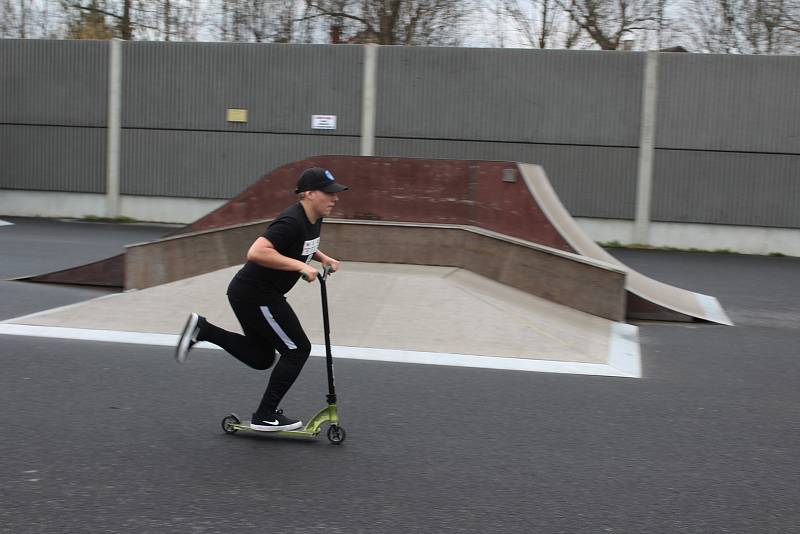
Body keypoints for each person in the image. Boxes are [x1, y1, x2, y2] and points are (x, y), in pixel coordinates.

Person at [174, 167, 348, 431]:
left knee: (262, 358)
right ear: (309, 194)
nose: (335, 198)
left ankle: (203, 329)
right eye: (329, 193)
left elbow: (301, 245)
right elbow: (256, 252)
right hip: (257, 294)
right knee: (297, 349)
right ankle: (266, 415)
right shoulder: (291, 221)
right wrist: (299, 267)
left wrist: (323, 258)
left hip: (255, 294)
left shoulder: (313, 217)